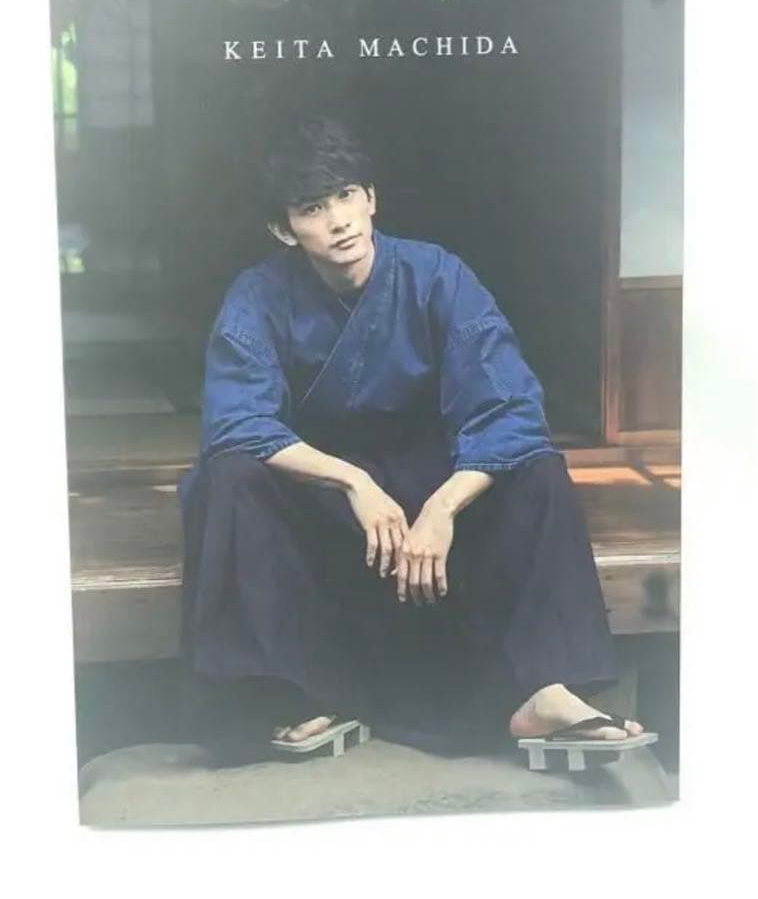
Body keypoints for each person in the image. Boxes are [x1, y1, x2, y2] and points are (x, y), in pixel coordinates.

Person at [180, 117, 644, 757]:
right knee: (229, 474)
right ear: (284, 230)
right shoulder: (258, 296)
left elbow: (509, 407)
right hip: (321, 501)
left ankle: (544, 692)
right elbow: (238, 421)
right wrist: (352, 481)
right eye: (312, 209)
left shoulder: (436, 276)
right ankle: (291, 693)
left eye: (346, 195)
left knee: (538, 469)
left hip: (431, 484)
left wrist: (443, 507)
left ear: (371, 197)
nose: (339, 221)